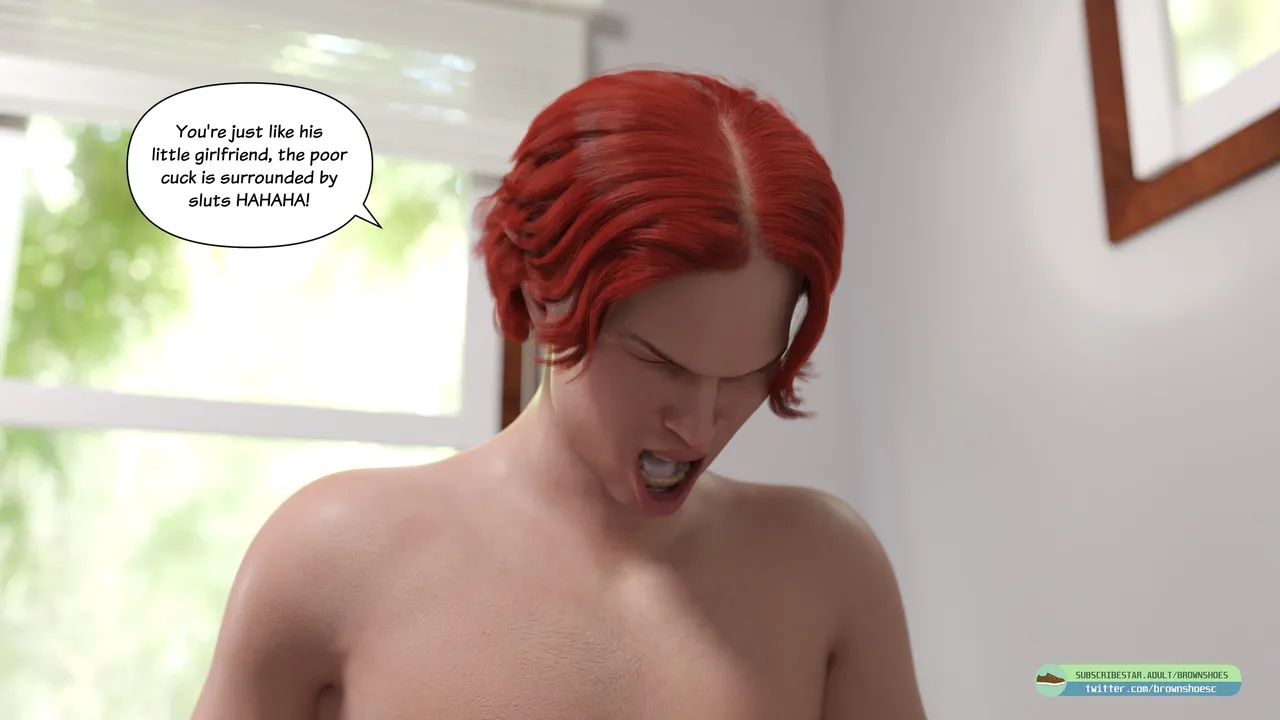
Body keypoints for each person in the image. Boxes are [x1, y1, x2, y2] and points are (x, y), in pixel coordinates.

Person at [192, 69, 928, 719]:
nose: (699, 425)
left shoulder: (827, 568)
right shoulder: (332, 555)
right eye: (660, 362)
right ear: (543, 298)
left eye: (745, 374)